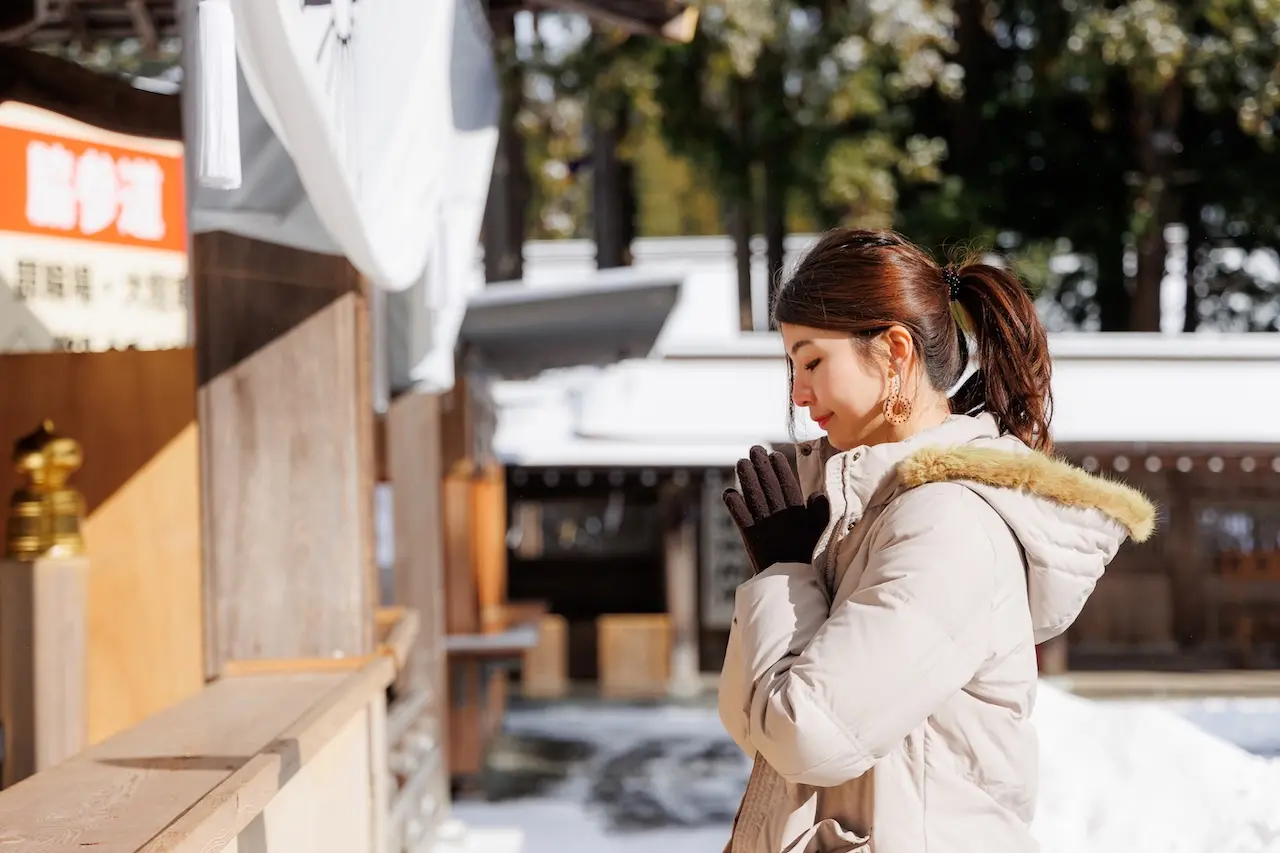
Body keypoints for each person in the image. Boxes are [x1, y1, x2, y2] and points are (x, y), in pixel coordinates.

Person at [717, 229, 1156, 853]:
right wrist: (786, 574)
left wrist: (786, 575)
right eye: (791, 365)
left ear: (895, 352)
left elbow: (806, 737)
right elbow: (754, 728)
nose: (798, 393)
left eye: (813, 360)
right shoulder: (865, 514)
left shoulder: (947, 523)